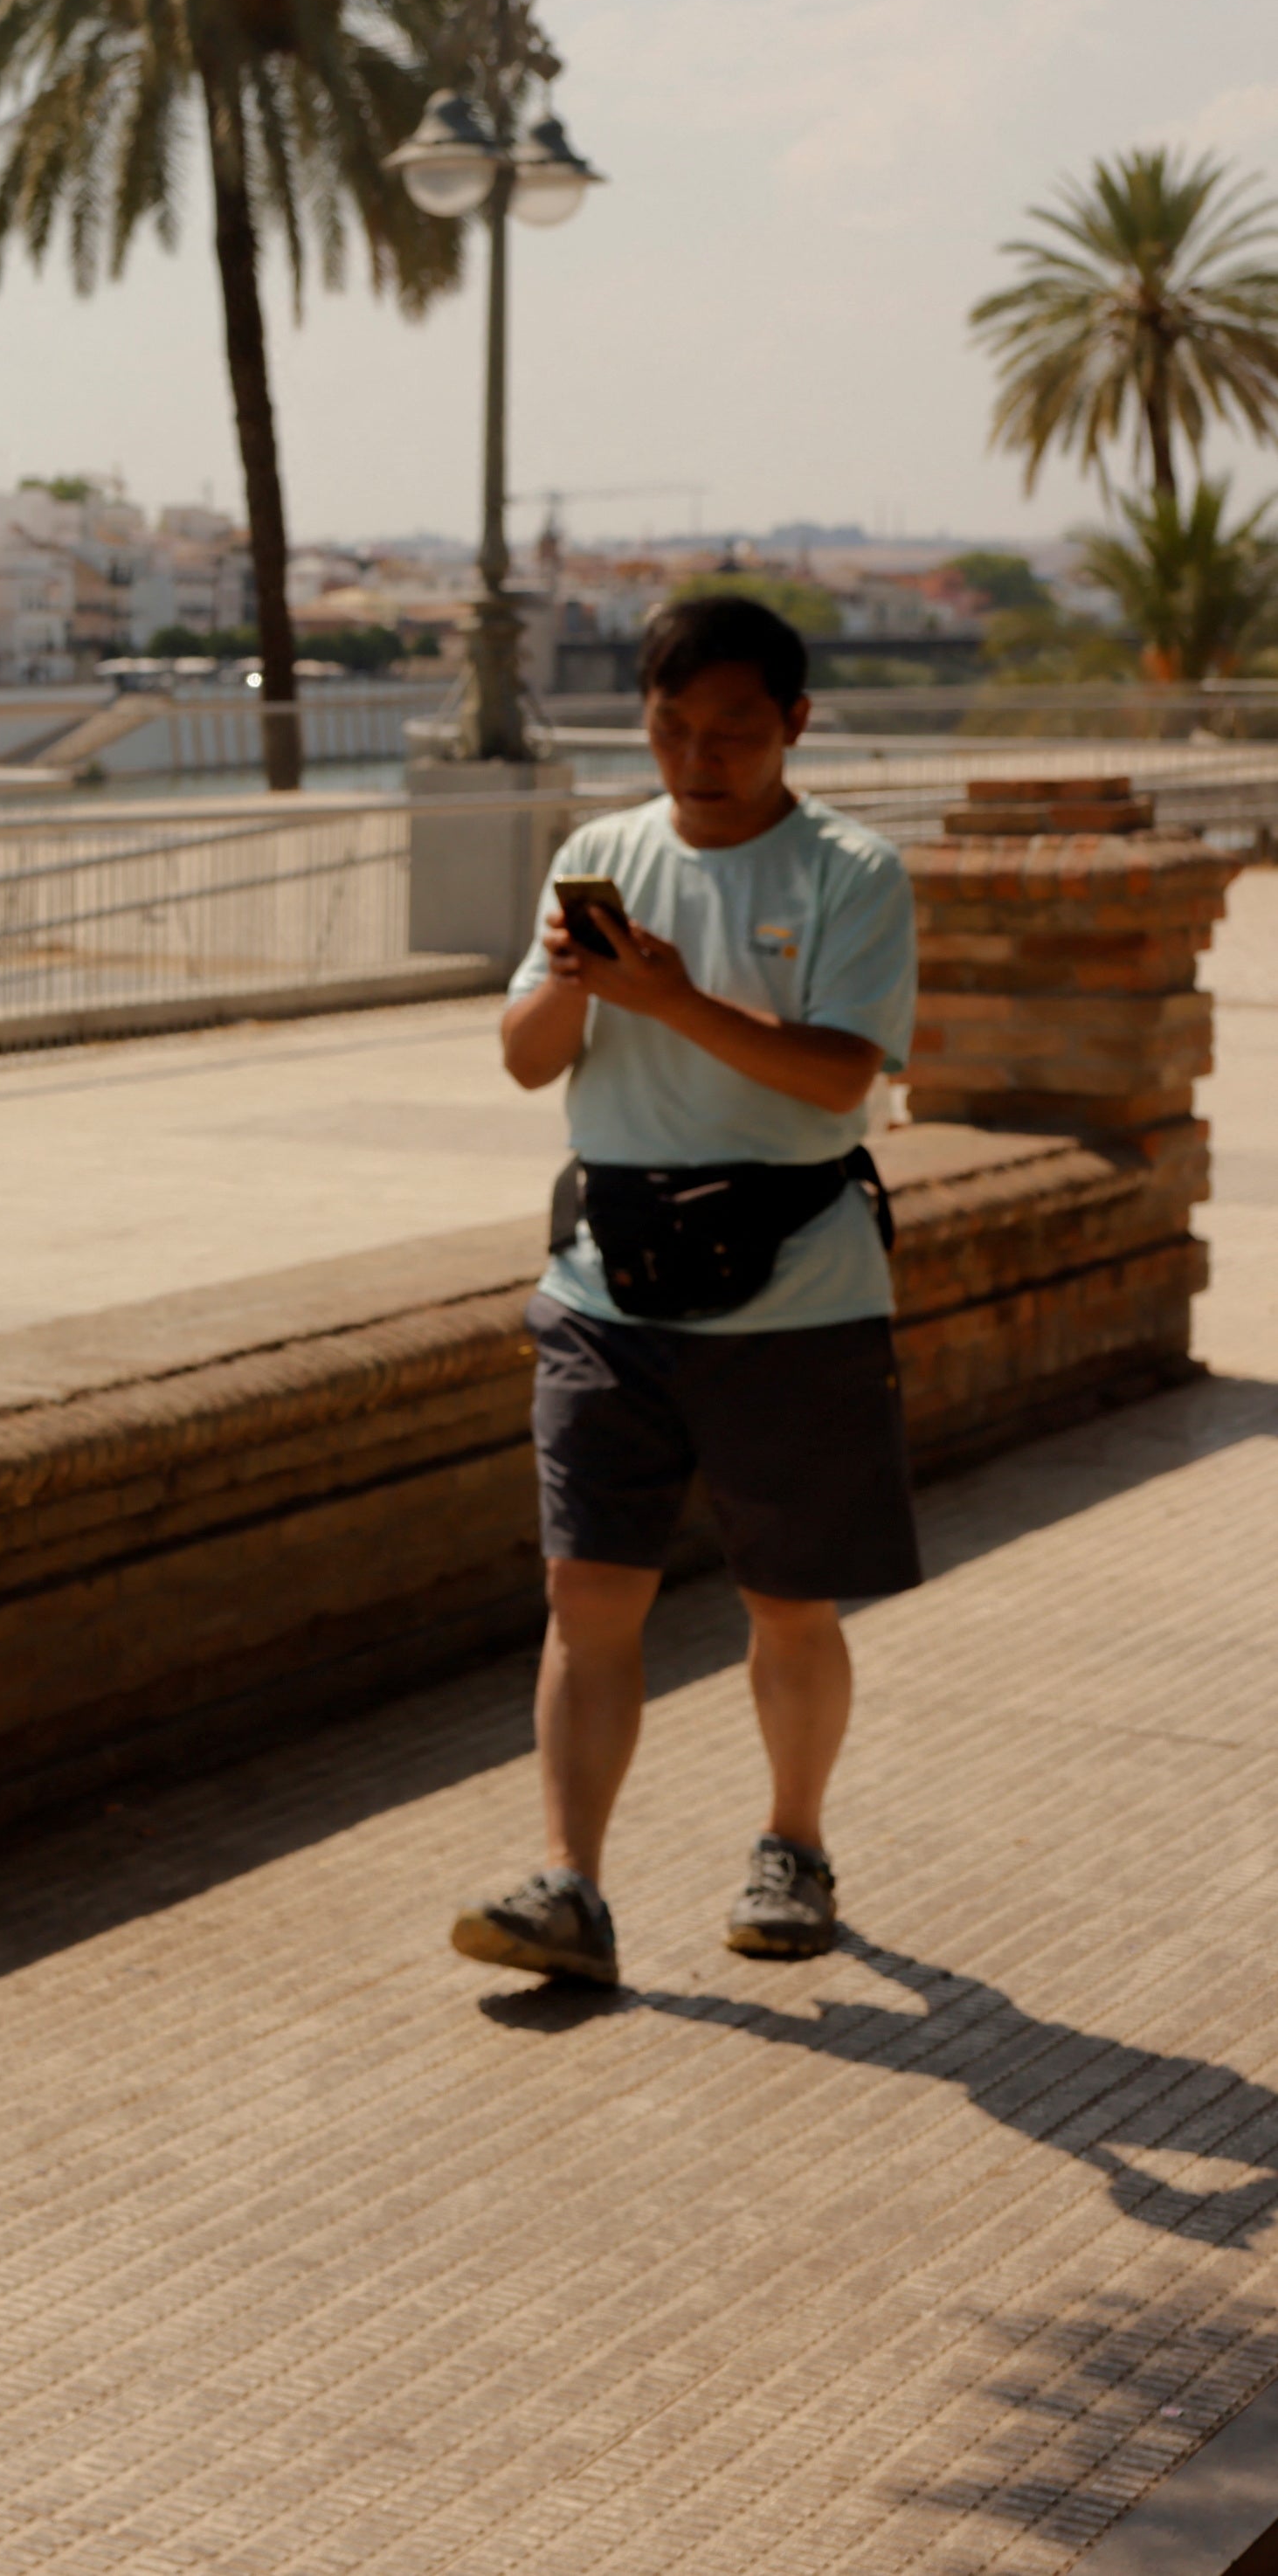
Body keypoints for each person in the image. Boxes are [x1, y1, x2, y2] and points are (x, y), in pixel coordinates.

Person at [453, 591, 919, 1989]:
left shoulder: (852, 871)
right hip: (610, 1282)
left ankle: (793, 1842)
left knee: (787, 1599)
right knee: (587, 1591)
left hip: (799, 1292)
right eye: (670, 726)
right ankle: (571, 1886)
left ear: (794, 726)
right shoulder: (601, 852)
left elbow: (843, 1078)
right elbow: (530, 1059)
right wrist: (581, 987)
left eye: (730, 731)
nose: (697, 756)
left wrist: (669, 1001)